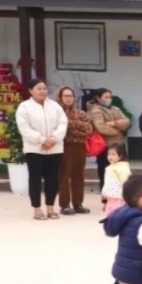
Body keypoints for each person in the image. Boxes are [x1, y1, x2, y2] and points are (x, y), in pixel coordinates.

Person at [16, 78, 68, 220]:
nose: (42, 91)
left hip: (54, 148)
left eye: (44, 88)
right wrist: (42, 140)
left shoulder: (55, 106)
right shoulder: (24, 107)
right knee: (35, 179)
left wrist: (54, 139)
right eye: (39, 88)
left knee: (52, 179)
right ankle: (37, 209)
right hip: (34, 149)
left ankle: (51, 208)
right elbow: (25, 128)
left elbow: (63, 124)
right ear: (30, 90)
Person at [87, 88, 130, 201]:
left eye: (110, 97)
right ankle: (106, 197)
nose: (108, 99)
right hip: (106, 146)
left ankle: (121, 196)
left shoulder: (115, 109)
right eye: (106, 97)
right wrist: (118, 131)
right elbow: (101, 127)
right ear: (98, 98)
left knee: (121, 171)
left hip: (119, 145)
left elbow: (127, 121)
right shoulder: (96, 110)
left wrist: (114, 123)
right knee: (105, 171)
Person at [55, 85, 92, 216]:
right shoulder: (56, 112)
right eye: (66, 96)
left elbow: (88, 130)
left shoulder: (81, 113)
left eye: (71, 96)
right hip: (63, 147)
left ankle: (78, 203)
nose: (69, 98)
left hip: (79, 147)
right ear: (60, 97)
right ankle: (64, 205)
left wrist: (69, 124)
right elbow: (59, 131)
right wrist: (75, 126)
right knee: (64, 175)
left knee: (79, 175)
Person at [101, 143, 131, 216]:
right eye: (109, 154)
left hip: (119, 197)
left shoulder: (122, 168)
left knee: (117, 213)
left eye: (113, 154)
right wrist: (104, 192)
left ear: (120, 156)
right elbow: (107, 182)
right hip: (110, 196)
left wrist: (127, 195)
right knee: (108, 213)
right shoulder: (111, 167)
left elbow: (125, 182)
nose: (110, 157)